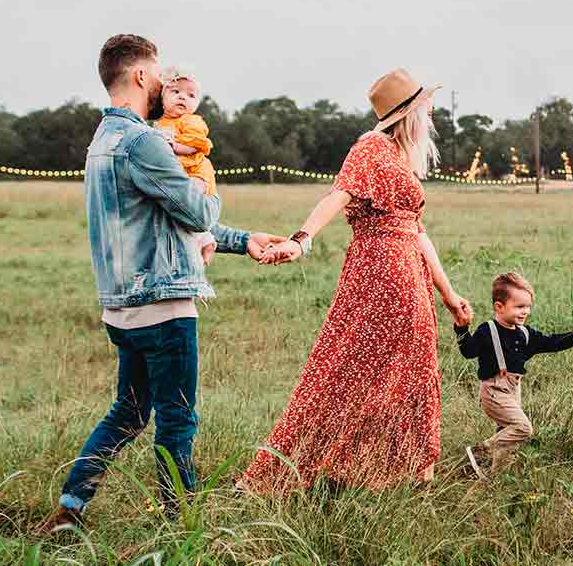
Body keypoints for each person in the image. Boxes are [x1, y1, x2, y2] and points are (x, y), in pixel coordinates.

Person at [39, 34, 284, 533]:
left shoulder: (101, 142)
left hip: (122, 308)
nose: (163, 85)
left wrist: (243, 240)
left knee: (128, 414)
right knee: (177, 420)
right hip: (164, 305)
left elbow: (162, 219)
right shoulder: (144, 141)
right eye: (158, 74)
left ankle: (71, 507)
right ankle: (183, 525)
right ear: (140, 77)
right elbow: (195, 209)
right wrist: (204, 189)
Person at [238, 68, 472, 491]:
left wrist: (449, 294)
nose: (432, 114)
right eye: (426, 107)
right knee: (349, 368)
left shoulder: (401, 158)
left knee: (413, 371)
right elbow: (338, 195)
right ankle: (323, 466)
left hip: (409, 273)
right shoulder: (371, 147)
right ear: (408, 113)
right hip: (379, 271)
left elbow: (418, 232)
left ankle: (401, 469)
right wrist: (302, 240)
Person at [456, 272, 573, 478]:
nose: (525, 311)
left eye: (528, 306)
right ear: (498, 307)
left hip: (513, 389)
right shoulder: (488, 330)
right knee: (522, 428)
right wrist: (462, 328)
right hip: (494, 390)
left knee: (507, 436)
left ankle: (494, 477)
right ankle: (480, 452)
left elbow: (551, 342)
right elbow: (469, 351)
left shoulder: (524, 333)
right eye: (519, 307)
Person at [154, 65, 217, 266]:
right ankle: (205, 239)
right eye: (176, 92)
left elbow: (195, 144)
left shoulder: (191, 120)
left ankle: (202, 241)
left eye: (190, 95)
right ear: (163, 99)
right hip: (180, 171)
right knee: (179, 209)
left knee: (188, 202)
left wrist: (174, 146)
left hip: (195, 171)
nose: (183, 97)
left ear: (196, 104)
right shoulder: (159, 123)